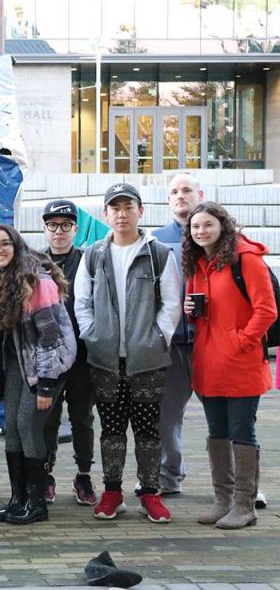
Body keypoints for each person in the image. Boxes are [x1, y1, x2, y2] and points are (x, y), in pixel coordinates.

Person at [74, 183, 181, 524]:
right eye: (115, 208)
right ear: (106, 214)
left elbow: (172, 304)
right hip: (105, 359)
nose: (122, 214)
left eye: (128, 207)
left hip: (148, 359)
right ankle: (112, 492)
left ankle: (150, 493)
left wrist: (157, 338)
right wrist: (93, 336)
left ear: (140, 211)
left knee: (148, 431)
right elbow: (82, 302)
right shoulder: (94, 254)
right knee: (112, 430)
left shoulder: (158, 253)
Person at [183, 201, 276, 529]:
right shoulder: (197, 262)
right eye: (195, 227)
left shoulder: (246, 259)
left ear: (222, 225)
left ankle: (244, 505)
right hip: (208, 363)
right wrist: (191, 310)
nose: (201, 231)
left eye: (207, 224)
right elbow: (201, 313)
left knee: (241, 431)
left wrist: (240, 340)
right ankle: (222, 500)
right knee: (217, 432)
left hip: (241, 363)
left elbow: (267, 310)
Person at [0, 225, 75, 525]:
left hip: (47, 366)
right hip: (16, 364)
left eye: (4, 243)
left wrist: (46, 385)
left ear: (17, 245)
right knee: (11, 427)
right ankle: (18, 499)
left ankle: (36, 504)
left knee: (27, 425)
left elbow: (50, 338)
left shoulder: (37, 279)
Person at [40, 200, 97, 506]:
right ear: (45, 229)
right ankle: (46, 473)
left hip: (83, 356)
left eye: (65, 225)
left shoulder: (89, 261)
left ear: (76, 229)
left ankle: (83, 475)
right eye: (52, 225)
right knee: (48, 418)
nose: (58, 231)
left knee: (82, 418)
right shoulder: (34, 263)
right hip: (48, 357)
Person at [150, 173, 202, 497]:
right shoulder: (156, 241)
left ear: (200, 194)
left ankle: (243, 486)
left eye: (187, 190)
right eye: (174, 191)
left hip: (211, 343)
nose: (180, 195)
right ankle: (169, 475)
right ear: (168, 199)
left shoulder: (217, 236)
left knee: (228, 418)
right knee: (166, 417)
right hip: (172, 345)